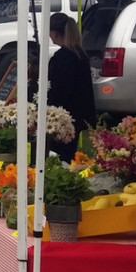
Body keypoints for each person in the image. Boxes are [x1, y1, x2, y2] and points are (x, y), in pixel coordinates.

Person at [46, 12, 97, 163]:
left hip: (63, 116)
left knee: (60, 155)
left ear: (55, 33)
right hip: (79, 114)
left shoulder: (61, 58)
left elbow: (58, 90)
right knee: (69, 152)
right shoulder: (80, 54)